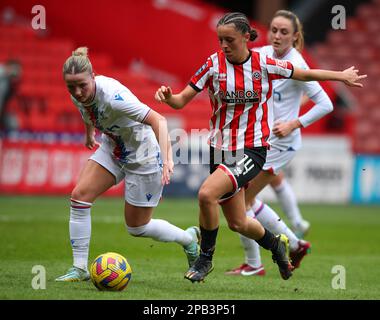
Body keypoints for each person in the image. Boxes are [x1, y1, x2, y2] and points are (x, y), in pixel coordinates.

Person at [155, 12, 366, 283]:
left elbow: (305, 73)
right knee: (238, 222)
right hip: (220, 150)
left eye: (229, 39)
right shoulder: (213, 64)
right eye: (220, 40)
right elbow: (182, 100)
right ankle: (277, 245)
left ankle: (204, 259)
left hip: (252, 149)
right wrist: (168, 97)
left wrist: (340, 75)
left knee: (207, 194)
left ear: (245, 37)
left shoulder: (264, 64)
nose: (224, 45)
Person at [55, 47, 200, 282]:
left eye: (83, 85)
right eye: (71, 86)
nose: (78, 92)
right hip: (113, 148)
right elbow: (87, 111)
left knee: (137, 228)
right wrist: (89, 134)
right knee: (79, 196)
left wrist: (168, 159)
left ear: (93, 77)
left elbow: (158, 119)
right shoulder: (77, 93)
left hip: (143, 155)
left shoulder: (113, 97)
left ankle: (188, 239)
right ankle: (80, 268)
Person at [226, 9, 333, 276]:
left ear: (295, 37)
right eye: (274, 30)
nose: (277, 35)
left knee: (239, 202)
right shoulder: (261, 54)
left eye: (284, 32)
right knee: (240, 200)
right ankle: (294, 244)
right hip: (260, 140)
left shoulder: (299, 66)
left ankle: (256, 263)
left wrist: (293, 123)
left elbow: (326, 103)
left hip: (279, 144)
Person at [0, 59, 22, 131]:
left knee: (14, 123)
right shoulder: (2, 71)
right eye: (15, 69)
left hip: (3, 111)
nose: (17, 72)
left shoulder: (8, 81)